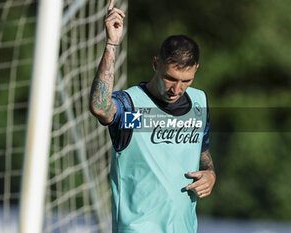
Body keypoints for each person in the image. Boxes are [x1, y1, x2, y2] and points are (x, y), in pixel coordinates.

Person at [89, 1, 216, 232]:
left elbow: (202, 151)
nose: (176, 89)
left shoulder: (199, 103)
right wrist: (111, 43)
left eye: (185, 81)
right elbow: (100, 107)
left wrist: (210, 174)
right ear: (156, 64)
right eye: (170, 78)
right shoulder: (133, 109)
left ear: (196, 69)